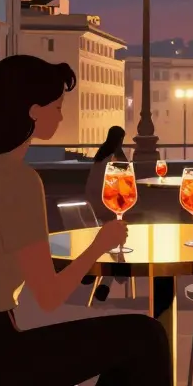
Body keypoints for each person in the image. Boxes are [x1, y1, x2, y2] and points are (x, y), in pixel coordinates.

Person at [0, 55, 171, 386]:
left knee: (128, 341)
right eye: (57, 107)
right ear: (33, 111)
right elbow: (50, 296)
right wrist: (100, 244)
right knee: (146, 335)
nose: (61, 115)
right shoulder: (16, 180)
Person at [82, 125, 128, 303]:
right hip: (107, 205)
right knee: (120, 237)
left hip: (93, 204)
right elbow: (124, 176)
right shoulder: (114, 157)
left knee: (115, 241)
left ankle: (94, 271)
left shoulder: (101, 154)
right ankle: (114, 275)